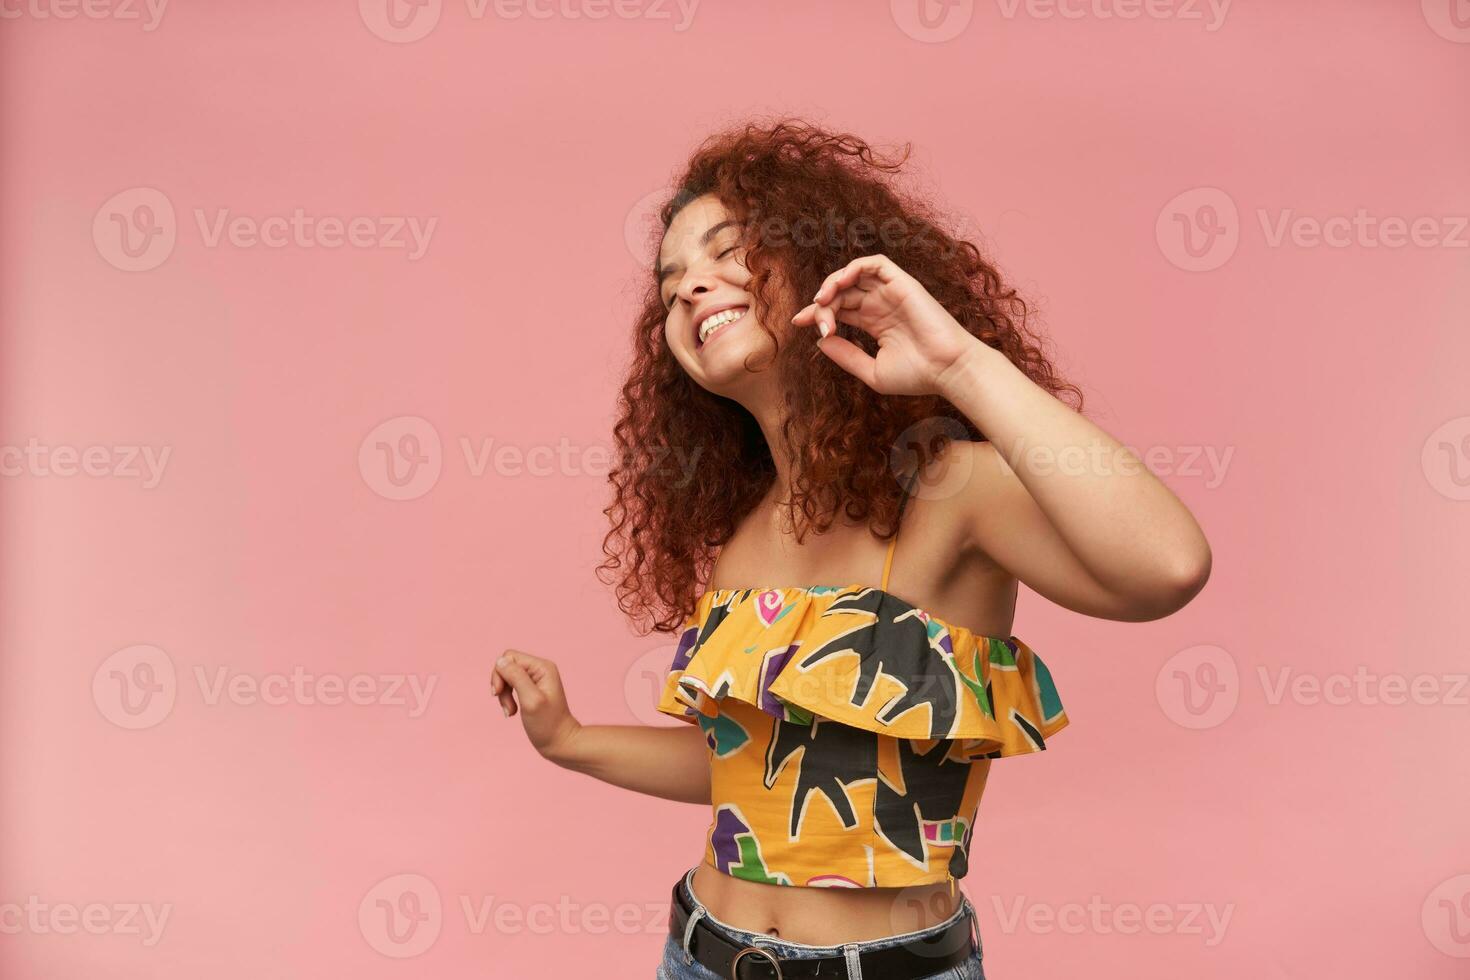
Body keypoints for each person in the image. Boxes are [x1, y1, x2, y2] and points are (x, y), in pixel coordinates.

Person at [492, 118, 1212, 979]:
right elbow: (749, 771)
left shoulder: (951, 488)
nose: (692, 288)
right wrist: (568, 738)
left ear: (822, 262)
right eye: (672, 279)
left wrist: (958, 366)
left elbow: (1168, 566)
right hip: (699, 957)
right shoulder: (748, 537)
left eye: (728, 252)